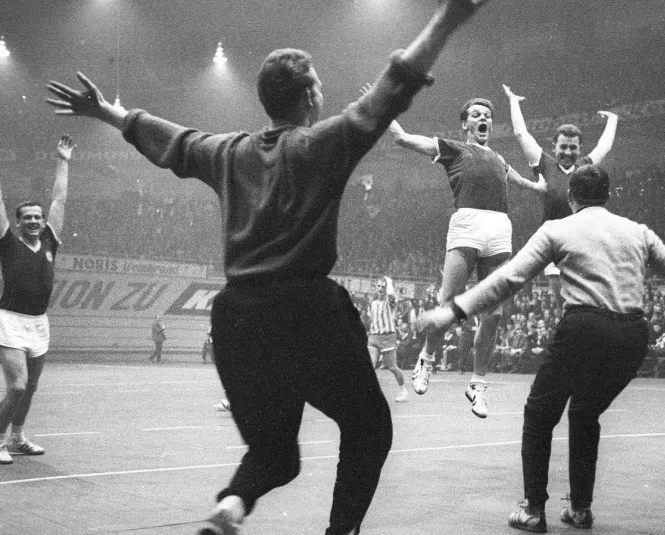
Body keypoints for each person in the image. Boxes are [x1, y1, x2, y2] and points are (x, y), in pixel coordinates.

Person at [45, 1, 492, 533]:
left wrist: (103, 113)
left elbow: (170, 139)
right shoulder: (323, 143)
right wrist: (448, 17)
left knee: (275, 454)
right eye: (319, 87)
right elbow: (393, 87)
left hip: (237, 319)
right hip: (306, 309)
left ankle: (231, 506)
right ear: (308, 98)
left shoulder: (227, 152)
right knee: (369, 428)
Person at [416, 164, 665, 533]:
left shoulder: (557, 228)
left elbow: (508, 279)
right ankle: (580, 510)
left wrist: (452, 311)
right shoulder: (638, 232)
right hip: (632, 337)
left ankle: (533, 509)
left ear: (570, 198)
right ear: (609, 195)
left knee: (540, 415)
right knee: (585, 414)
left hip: (583, 327)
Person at [388, 97, 545, 418]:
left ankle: (477, 383)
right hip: (468, 223)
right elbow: (403, 139)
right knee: (449, 302)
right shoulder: (453, 148)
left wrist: (539, 186)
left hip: (500, 227)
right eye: (476, 114)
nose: (483, 117)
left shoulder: (499, 158)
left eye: (487, 114)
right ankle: (427, 359)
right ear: (466, 124)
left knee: (495, 314)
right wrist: (385, 107)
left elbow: (518, 181)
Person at [0, 132, 74, 465]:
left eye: (37, 216)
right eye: (27, 217)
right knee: (16, 387)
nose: (33, 220)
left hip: (39, 324)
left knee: (30, 388)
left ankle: (18, 438)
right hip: (11, 322)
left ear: (43, 221)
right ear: (17, 223)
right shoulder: (6, 241)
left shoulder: (50, 241)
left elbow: (59, 200)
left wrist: (63, 161)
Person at [502, 84, 619, 303]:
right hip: (554, 242)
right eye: (563, 147)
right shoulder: (544, 163)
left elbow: (604, 148)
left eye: (573, 147)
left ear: (580, 149)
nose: (567, 152)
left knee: (586, 302)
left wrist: (613, 120)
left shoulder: (584, 166)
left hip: (582, 242)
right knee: (563, 303)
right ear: (554, 146)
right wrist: (513, 102)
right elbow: (521, 133)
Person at [366, 276, 407, 402]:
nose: (380, 289)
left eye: (383, 287)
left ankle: (403, 389)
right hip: (373, 337)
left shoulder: (390, 302)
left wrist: (388, 283)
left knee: (392, 367)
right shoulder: (373, 303)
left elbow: (392, 295)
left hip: (387, 337)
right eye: (378, 286)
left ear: (386, 289)